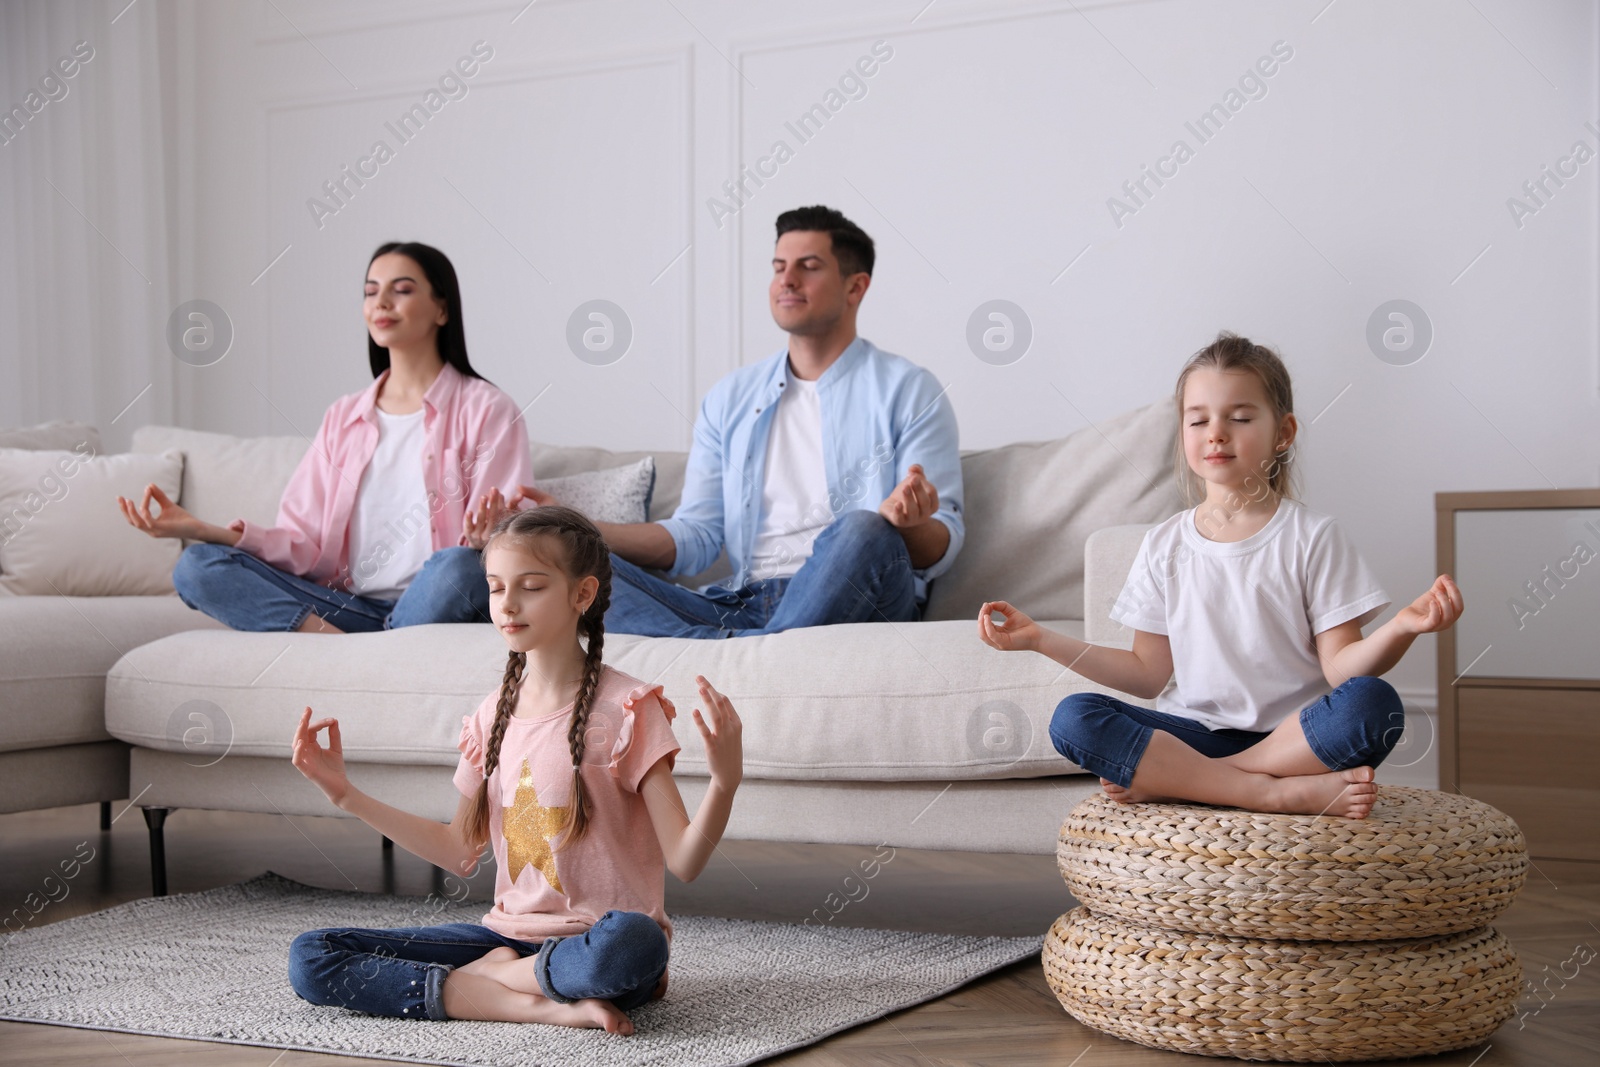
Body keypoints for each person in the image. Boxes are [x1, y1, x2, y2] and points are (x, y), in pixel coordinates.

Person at [286, 505, 744, 1032]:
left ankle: (490, 984)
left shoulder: (629, 709)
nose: (507, 604)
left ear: (582, 595)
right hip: (505, 937)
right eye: (496, 587)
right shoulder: (490, 715)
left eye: (530, 586)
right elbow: (460, 850)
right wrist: (345, 795)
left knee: (634, 944)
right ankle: (520, 999)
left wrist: (724, 783)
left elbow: (684, 861)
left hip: (597, 944)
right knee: (313, 955)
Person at [978, 332, 1463, 819]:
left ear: (1284, 432)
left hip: (1297, 739)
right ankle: (1269, 793)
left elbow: (1341, 671)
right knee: (1075, 718)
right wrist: (1041, 639)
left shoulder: (1313, 536)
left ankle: (1197, 781)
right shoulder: (1163, 544)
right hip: (1196, 735)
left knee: (1373, 704)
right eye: (1199, 419)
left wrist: (1402, 627)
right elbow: (1147, 676)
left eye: (1240, 417)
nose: (1216, 432)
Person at [512, 205, 963, 638]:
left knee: (865, 528)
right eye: (778, 265)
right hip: (740, 602)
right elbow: (698, 536)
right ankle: (744, 652)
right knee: (569, 563)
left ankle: (738, 654)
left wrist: (909, 525)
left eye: (808, 266)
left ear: (855, 288)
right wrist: (572, 527)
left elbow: (942, 541)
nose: (786, 279)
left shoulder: (910, 390)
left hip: (861, 595)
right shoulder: (731, 397)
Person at [117, 241, 532, 632]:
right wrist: (207, 530)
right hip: (344, 610)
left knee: (459, 567)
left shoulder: (487, 409)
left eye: (401, 290)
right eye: (371, 292)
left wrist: (487, 539)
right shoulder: (344, 416)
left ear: (442, 309)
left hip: (435, 601)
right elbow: (303, 544)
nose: (381, 302)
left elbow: (508, 536)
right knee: (198, 565)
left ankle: (374, 650)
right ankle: (340, 647)